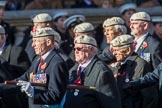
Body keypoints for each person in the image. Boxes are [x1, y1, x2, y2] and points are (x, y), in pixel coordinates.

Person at [0, 27, 69, 108]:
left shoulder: (57, 63)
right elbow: (21, 81)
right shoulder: (38, 60)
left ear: (48, 42)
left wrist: (33, 92)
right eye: (33, 41)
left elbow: (56, 96)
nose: (33, 45)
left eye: (36, 41)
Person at [64, 34, 121, 108]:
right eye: (74, 49)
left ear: (92, 50)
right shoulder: (74, 69)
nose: (76, 52)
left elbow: (110, 103)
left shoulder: (102, 72)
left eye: (79, 49)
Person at [110, 34, 154, 108]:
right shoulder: (117, 64)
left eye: (117, 50)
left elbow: (148, 96)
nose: (114, 53)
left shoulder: (140, 65)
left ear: (128, 50)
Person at [129, 11, 162, 108]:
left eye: (134, 23)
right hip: (132, 92)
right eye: (130, 23)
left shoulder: (154, 45)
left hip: (147, 97)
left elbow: (158, 72)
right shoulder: (130, 42)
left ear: (145, 25)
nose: (131, 26)